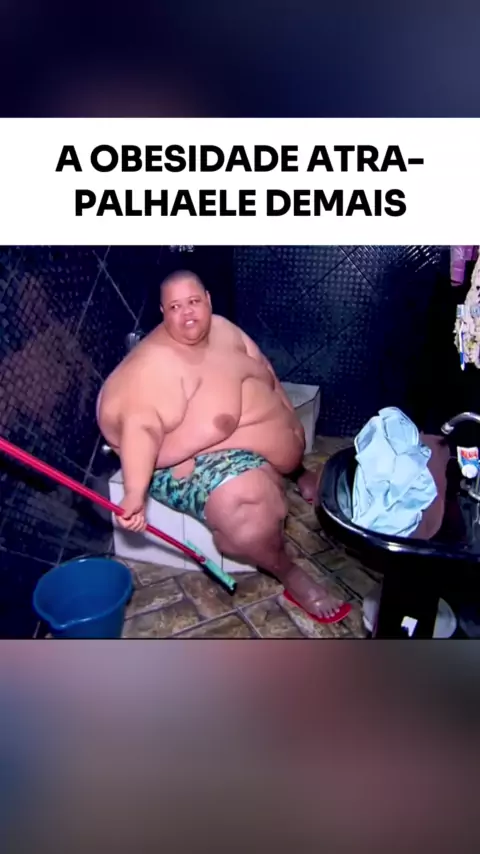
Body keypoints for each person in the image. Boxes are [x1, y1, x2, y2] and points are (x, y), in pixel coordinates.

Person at [96, 271, 348, 621]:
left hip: (243, 443)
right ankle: (288, 572)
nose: (187, 313)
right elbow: (141, 429)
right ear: (163, 312)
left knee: (272, 437)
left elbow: (265, 373)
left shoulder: (223, 329)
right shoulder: (155, 368)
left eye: (194, 302)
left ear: (208, 300)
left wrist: (289, 442)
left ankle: (297, 472)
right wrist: (134, 494)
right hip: (175, 462)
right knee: (250, 508)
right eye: (175, 307)